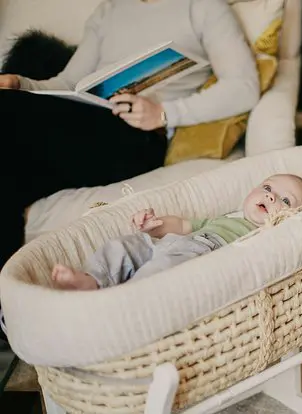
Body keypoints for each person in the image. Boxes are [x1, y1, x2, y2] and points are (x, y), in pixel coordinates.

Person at [0, 0, 260, 270]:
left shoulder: (202, 7)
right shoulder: (110, 10)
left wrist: (163, 113)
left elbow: (244, 87)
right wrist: (21, 83)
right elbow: (68, 83)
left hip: (140, 136)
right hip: (84, 119)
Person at [50, 174, 302, 290]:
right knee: (126, 245)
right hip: (175, 242)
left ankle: (122, 298)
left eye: (285, 201)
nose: (270, 197)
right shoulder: (229, 215)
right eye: (267, 188)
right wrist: (156, 225)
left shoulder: (268, 234)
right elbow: (184, 225)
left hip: (201, 255)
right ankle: (92, 280)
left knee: (162, 271)